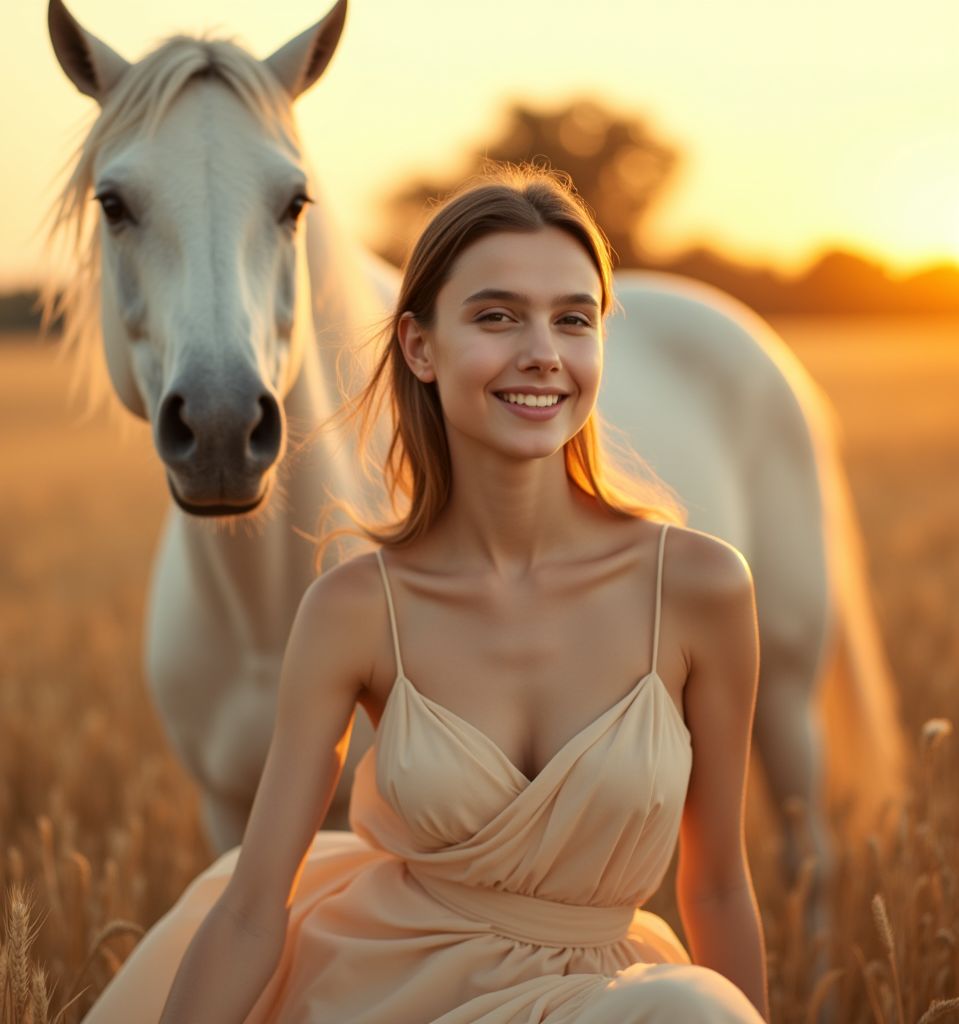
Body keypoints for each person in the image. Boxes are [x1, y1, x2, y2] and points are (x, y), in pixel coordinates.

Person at [85, 166, 769, 1024]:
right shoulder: (354, 610)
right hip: (387, 996)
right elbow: (255, 911)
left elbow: (715, 891)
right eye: (496, 316)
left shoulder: (701, 586)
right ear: (418, 346)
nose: (542, 354)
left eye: (574, 320)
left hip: (604, 1004)